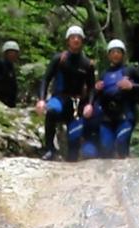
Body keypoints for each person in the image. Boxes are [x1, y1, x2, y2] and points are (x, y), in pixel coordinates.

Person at [37, 26, 96, 162]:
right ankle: (50, 149)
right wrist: (41, 99)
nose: (75, 40)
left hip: (76, 104)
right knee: (51, 111)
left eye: (78, 38)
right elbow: (46, 78)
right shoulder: (59, 59)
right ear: (68, 41)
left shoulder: (87, 64)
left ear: (82, 41)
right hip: (59, 98)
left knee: (74, 143)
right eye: (72, 37)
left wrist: (90, 105)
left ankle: (71, 162)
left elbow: (92, 87)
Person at [84, 39, 139, 159]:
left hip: (125, 116)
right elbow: (97, 95)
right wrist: (96, 90)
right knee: (106, 149)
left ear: (123, 54)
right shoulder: (104, 74)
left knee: (121, 143)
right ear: (108, 55)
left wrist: (132, 86)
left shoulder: (130, 70)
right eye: (113, 52)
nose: (116, 54)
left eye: (118, 52)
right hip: (107, 118)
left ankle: (126, 165)